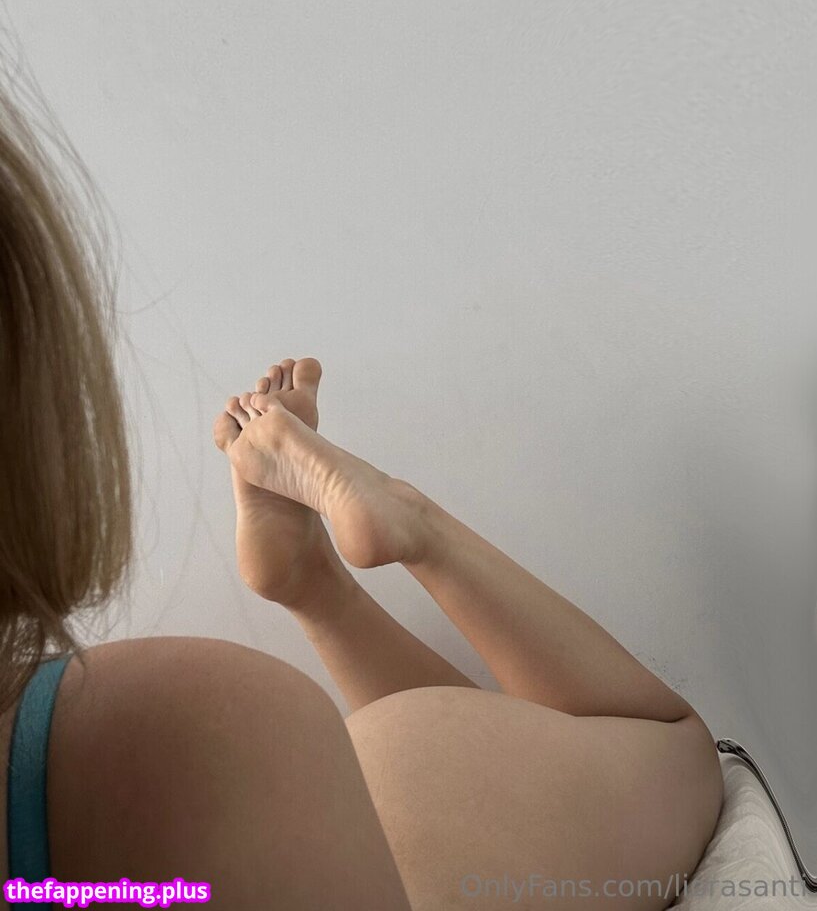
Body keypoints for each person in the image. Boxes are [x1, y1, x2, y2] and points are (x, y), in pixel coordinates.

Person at [0, 75, 723, 910]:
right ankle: (404, 524)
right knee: (668, 743)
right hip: (351, 810)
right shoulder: (147, 732)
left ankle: (315, 582)